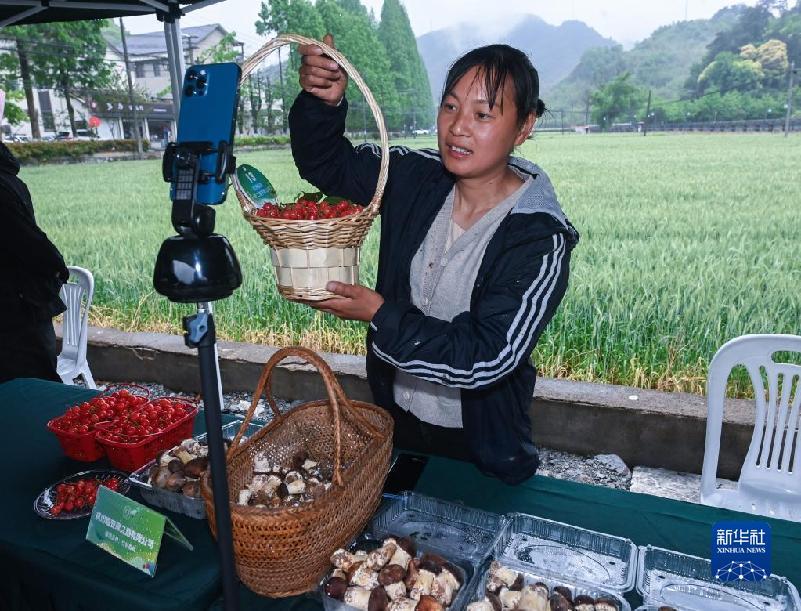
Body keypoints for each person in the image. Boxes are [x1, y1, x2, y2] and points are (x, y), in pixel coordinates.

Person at [290, 35, 579, 484]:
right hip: (397, 422)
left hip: (479, 446)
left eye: (483, 114)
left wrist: (381, 315)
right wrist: (322, 104)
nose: (458, 127)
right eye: (450, 107)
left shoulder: (538, 236)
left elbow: (489, 355)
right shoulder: (414, 177)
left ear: (524, 127)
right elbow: (328, 164)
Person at [0, 141, 69, 384]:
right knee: (36, 384)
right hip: (19, 307)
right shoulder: (8, 183)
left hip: (19, 302)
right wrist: (57, 267)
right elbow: (28, 241)